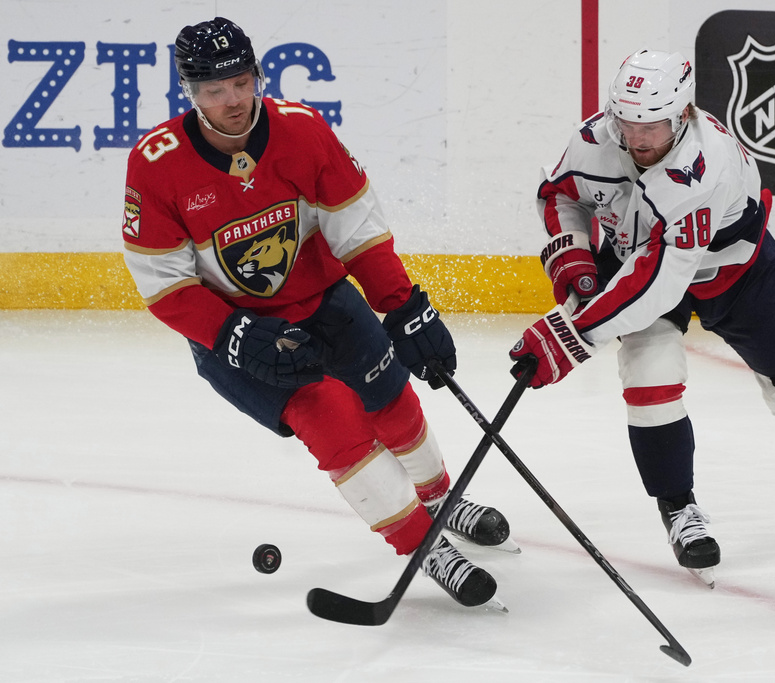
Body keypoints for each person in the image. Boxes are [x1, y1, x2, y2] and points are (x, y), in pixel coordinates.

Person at [121, 17, 510, 608]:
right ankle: (422, 546)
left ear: (257, 75)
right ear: (190, 92)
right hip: (238, 330)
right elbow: (165, 284)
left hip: (324, 298)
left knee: (390, 396)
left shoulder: (301, 130)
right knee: (331, 416)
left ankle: (439, 499)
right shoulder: (156, 164)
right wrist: (231, 333)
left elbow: (358, 230)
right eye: (214, 90)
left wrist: (402, 305)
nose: (233, 100)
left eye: (241, 82)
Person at [509, 49, 775, 587]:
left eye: (651, 125)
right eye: (627, 122)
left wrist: (572, 335)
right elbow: (561, 194)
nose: (636, 137)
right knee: (650, 381)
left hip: (735, 273)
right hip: (639, 262)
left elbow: (659, 282)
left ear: (683, 115)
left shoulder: (704, 166)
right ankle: (679, 508)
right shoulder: (596, 138)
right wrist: (573, 257)